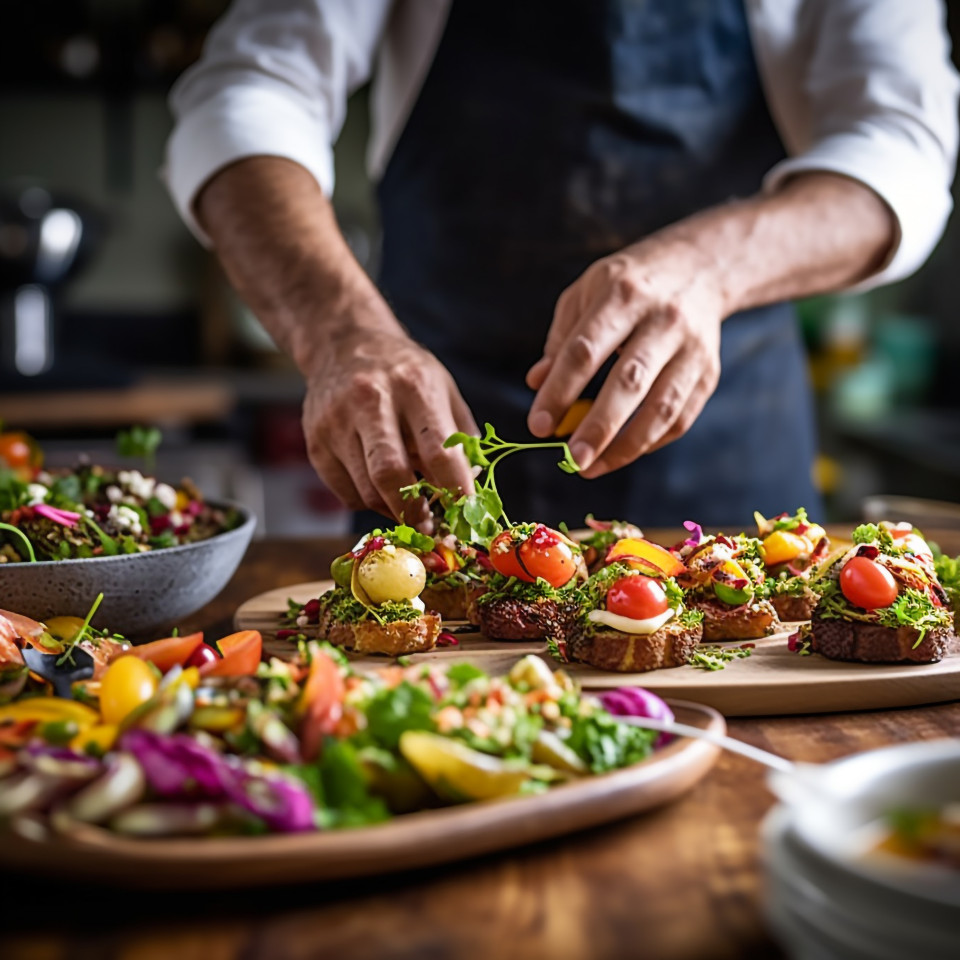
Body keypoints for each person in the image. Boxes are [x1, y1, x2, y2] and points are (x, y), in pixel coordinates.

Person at [165, 0, 958, 530]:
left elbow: (904, 147)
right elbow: (246, 92)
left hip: (731, 443)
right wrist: (341, 333)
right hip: (426, 429)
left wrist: (709, 266)